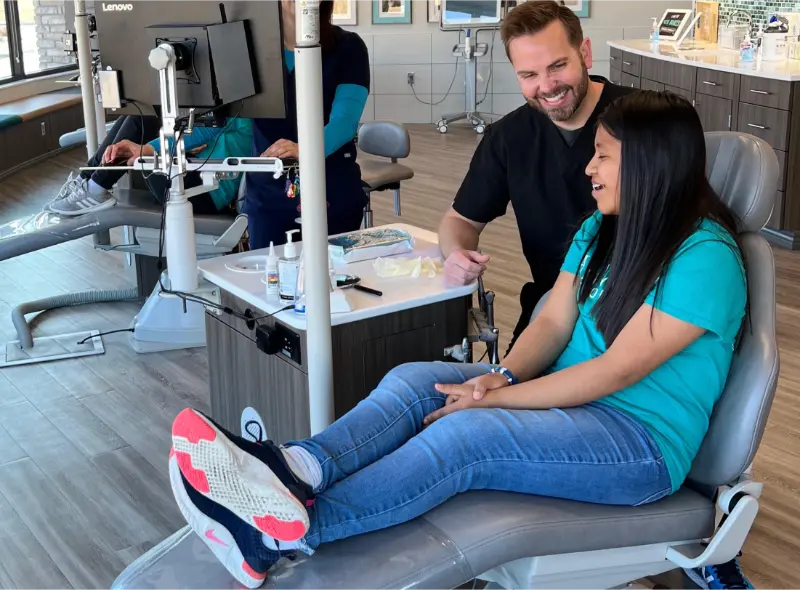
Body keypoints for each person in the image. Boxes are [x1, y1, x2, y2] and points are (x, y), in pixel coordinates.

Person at [166, 91, 750, 589]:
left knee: (470, 435)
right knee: (415, 380)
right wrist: (504, 377)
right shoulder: (603, 228)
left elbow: (614, 373)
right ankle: (298, 468)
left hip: (637, 443)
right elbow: (551, 322)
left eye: (603, 157)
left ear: (650, 166)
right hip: (568, 398)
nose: (588, 170)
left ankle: (279, 530)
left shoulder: (705, 257)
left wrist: (492, 402)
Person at [437, 0, 635, 353]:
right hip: (549, 316)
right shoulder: (509, 137)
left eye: (558, 66)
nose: (547, 86)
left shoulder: (643, 122)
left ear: (585, 53)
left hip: (635, 315)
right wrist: (457, 255)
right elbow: (460, 220)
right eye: (529, 75)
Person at [243, 0, 370, 250]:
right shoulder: (251, 51)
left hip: (329, 189)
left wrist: (307, 150)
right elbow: (221, 121)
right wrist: (155, 147)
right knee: (271, 282)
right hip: (268, 195)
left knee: (332, 282)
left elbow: (345, 122)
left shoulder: (349, 48)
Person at [47, 114, 253, 216]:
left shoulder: (242, 107)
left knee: (141, 121)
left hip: (202, 193)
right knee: (135, 118)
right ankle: (86, 181)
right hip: (192, 174)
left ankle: (95, 188)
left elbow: (204, 130)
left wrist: (144, 149)